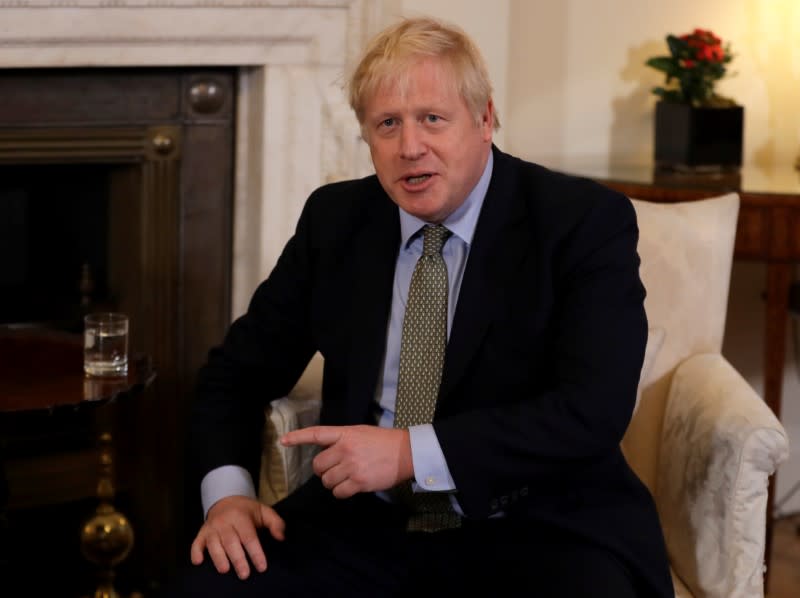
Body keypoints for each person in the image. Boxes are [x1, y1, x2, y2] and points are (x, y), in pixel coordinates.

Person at [172, 15, 673, 598]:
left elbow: (594, 408)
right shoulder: (336, 222)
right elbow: (233, 376)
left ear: (485, 119)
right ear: (367, 138)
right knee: (208, 585)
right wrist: (229, 496)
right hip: (366, 523)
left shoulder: (580, 222)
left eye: (432, 119)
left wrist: (411, 452)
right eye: (388, 124)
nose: (411, 147)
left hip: (539, 523)